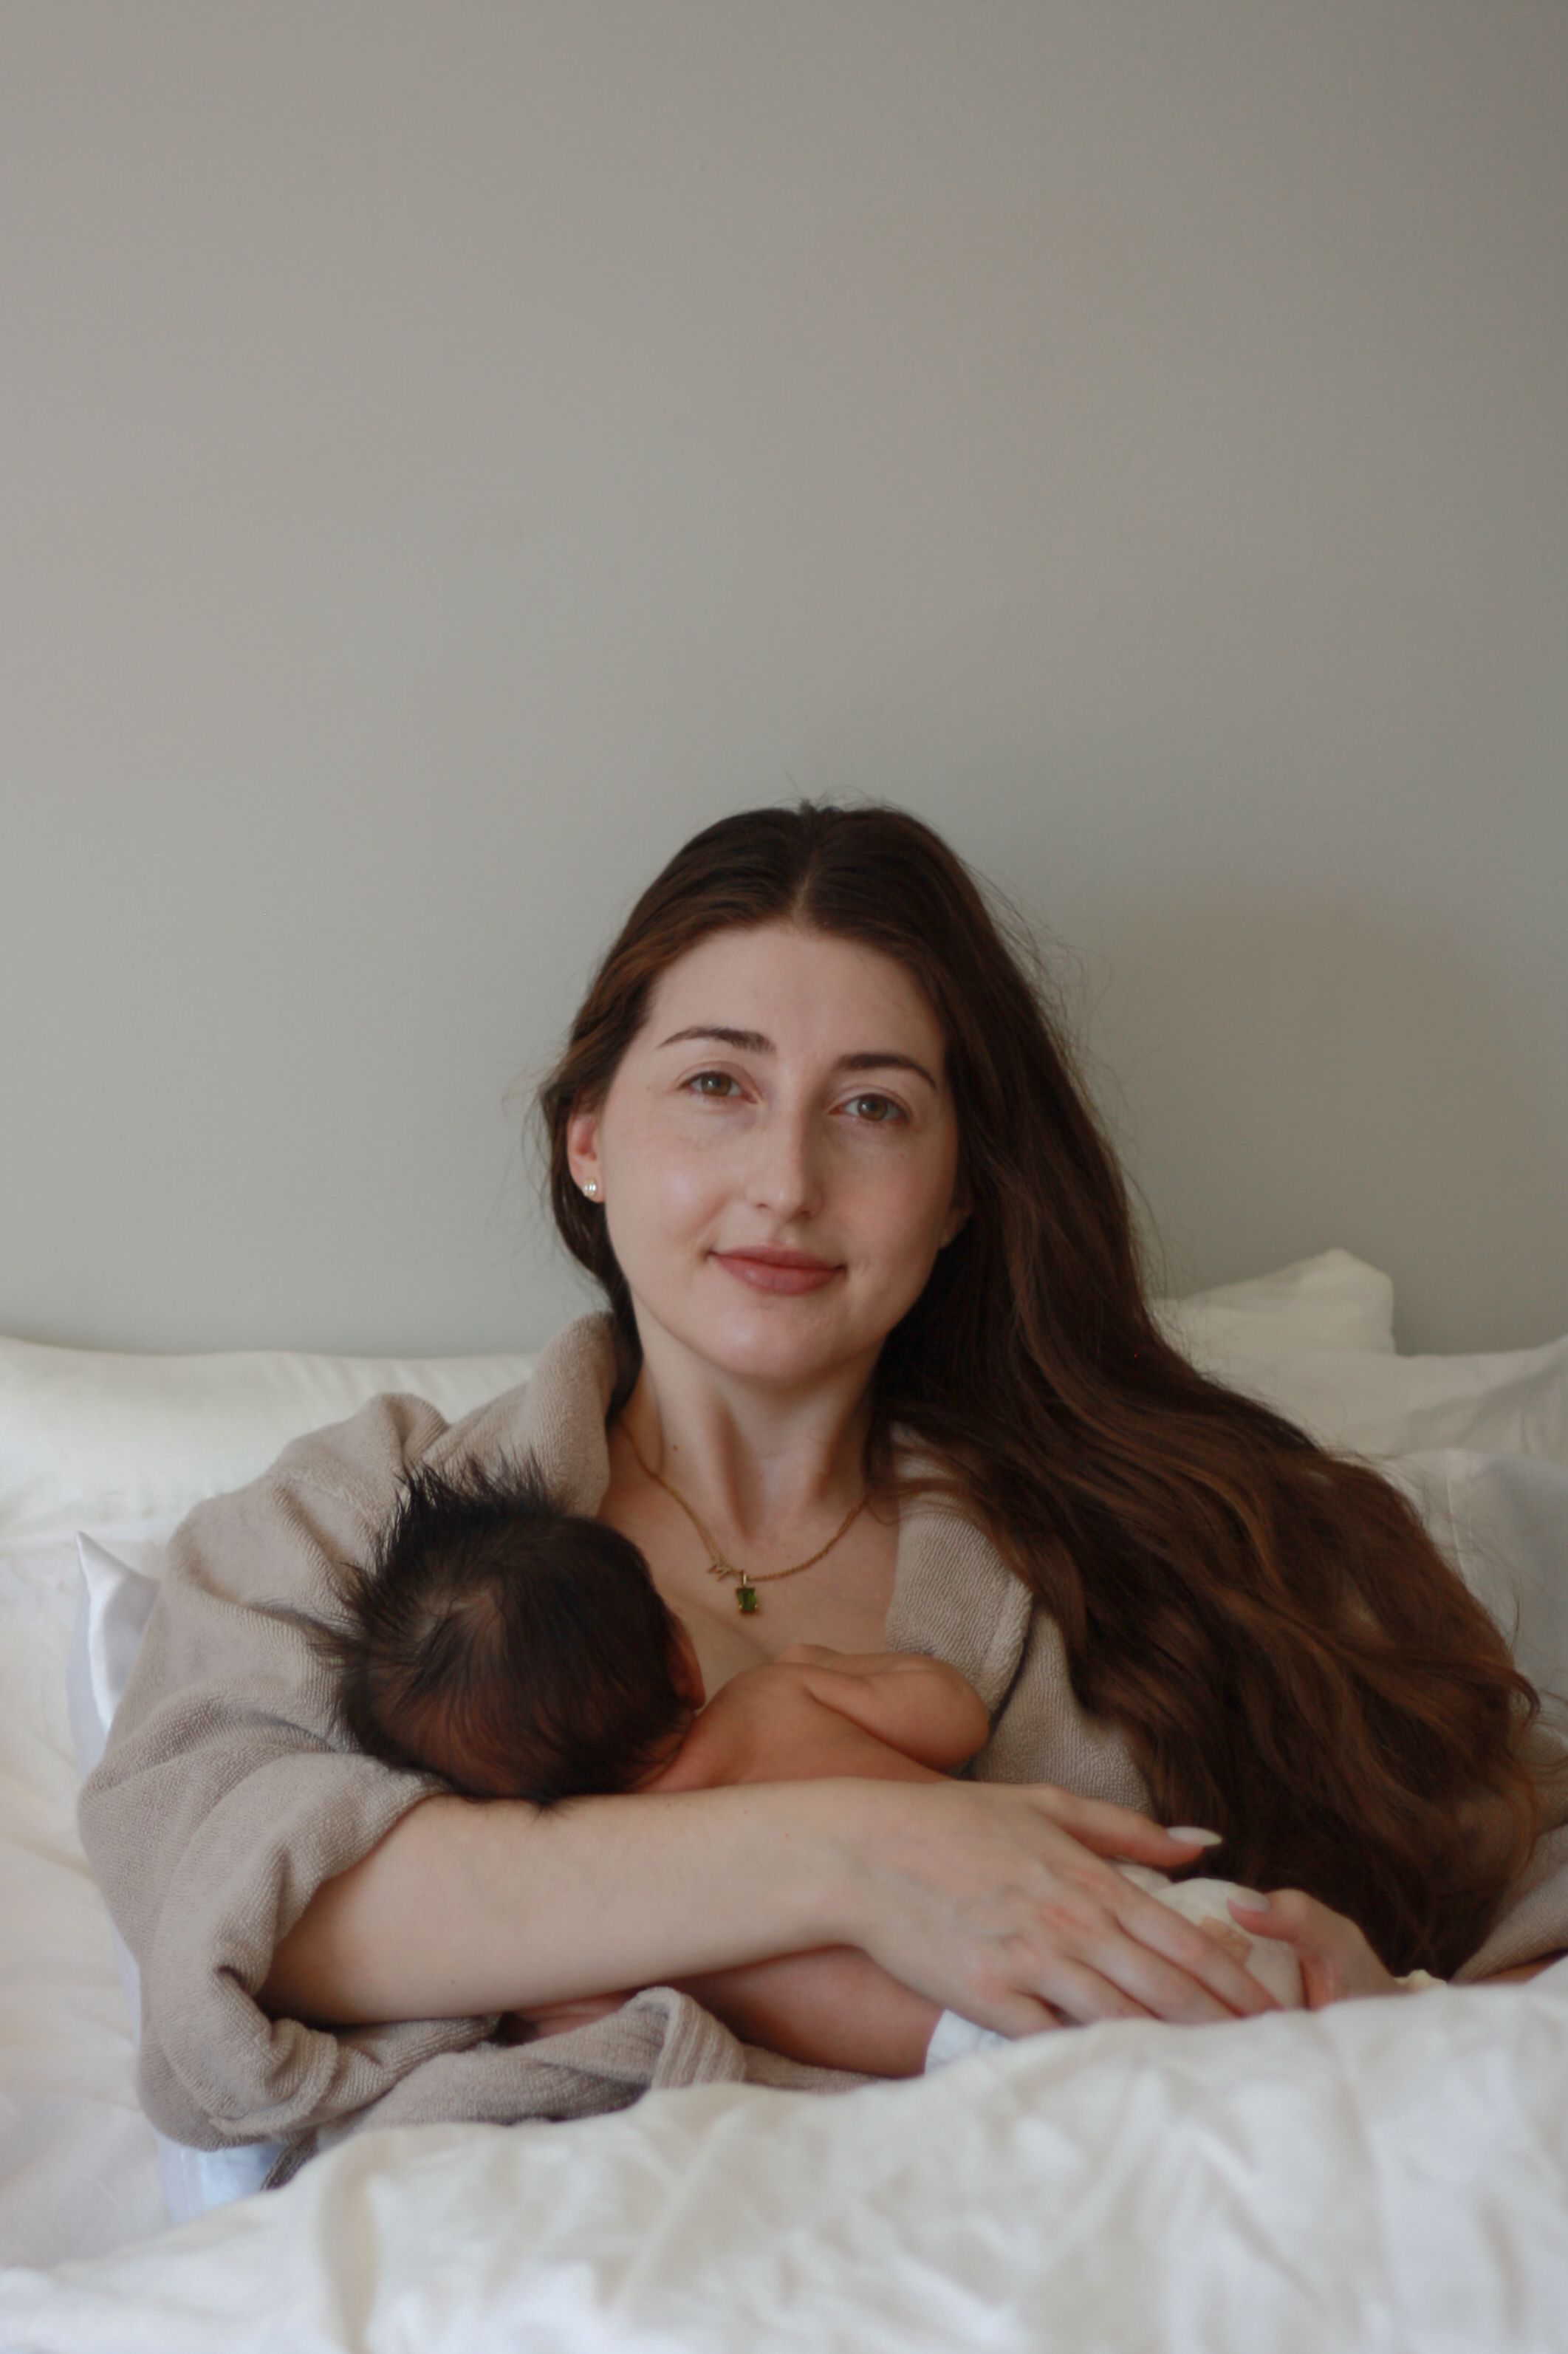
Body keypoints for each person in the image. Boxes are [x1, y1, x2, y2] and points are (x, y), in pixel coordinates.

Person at [78, 801, 1567, 2177]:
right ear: (589, 1137)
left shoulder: (1209, 1527)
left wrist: (1400, 2028)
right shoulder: (363, 1522)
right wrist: (861, 1855)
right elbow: (246, 1910)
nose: (787, 1181)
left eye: (873, 1108)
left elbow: (1530, 1882)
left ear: (964, 1187)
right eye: (719, 1082)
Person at [304, 1448, 1311, 2078]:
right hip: (1112, 1916)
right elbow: (953, 1716)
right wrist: (828, 1665)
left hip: (987, 2051)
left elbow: (594, 2047)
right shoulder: (778, 1698)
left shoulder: (604, 1919)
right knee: (1313, 2030)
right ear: (680, 1653)